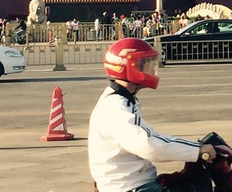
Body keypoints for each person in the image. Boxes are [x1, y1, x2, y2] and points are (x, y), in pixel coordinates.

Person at [88, 38, 217, 192]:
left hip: (134, 182)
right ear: (129, 66)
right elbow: (147, 144)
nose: (151, 68)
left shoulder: (123, 100)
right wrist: (197, 149)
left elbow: (152, 136)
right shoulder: (116, 107)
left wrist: (194, 148)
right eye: (146, 63)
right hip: (129, 186)